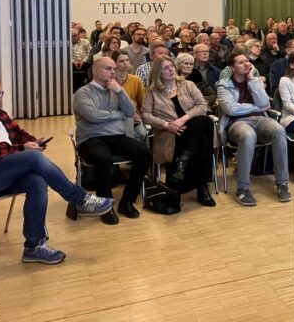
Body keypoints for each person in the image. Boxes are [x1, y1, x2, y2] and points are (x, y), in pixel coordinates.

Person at [0, 73, 113, 264]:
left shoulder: (1, 115)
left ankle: (34, 246)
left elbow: (21, 134)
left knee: (37, 182)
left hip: (11, 171)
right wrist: (22, 149)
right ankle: (79, 199)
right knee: (33, 158)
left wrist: (33, 142)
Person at [73, 58, 153, 225]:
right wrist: (118, 115)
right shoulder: (83, 92)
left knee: (144, 153)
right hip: (90, 138)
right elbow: (93, 116)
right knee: (103, 158)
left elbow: (130, 111)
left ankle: (127, 201)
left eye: (114, 69)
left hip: (116, 136)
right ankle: (105, 205)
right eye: (108, 69)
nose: (112, 72)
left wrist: (120, 92)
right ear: (95, 71)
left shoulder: (116, 90)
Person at [216, 51, 292, 207]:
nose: (247, 64)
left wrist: (251, 80)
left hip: (260, 119)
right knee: (248, 135)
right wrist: (254, 106)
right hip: (236, 122)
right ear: (231, 67)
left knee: (279, 130)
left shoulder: (254, 80)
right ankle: (242, 188)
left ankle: (282, 183)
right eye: (241, 62)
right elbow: (231, 110)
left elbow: (264, 103)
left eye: (247, 61)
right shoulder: (223, 84)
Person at [142, 56, 216, 207]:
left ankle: (183, 162)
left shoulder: (187, 84)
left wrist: (181, 120)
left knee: (203, 121)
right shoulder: (152, 92)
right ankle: (202, 187)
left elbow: (202, 105)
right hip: (171, 134)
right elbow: (145, 115)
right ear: (158, 73)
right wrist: (166, 124)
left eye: (172, 66)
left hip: (191, 126)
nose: (171, 70)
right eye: (166, 68)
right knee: (203, 140)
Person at [110, 50, 147, 143]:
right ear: (114, 63)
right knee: (130, 136)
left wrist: (140, 116)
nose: (125, 63)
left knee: (142, 134)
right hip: (115, 116)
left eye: (127, 60)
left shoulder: (136, 80)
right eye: (121, 61)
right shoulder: (109, 81)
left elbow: (142, 102)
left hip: (134, 116)